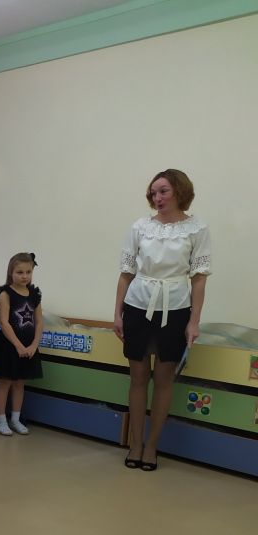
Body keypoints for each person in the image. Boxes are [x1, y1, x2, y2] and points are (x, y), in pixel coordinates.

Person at [114, 169, 211, 471]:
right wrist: (117, 313)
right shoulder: (140, 226)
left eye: (163, 191)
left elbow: (199, 280)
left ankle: (152, 447)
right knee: (138, 377)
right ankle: (135, 444)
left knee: (164, 380)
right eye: (153, 193)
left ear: (180, 192)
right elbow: (126, 273)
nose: (157, 198)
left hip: (176, 307)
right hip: (137, 306)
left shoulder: (197, 229)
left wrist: (194, 321)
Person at [0, 253, 43, 436]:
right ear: (11, 272)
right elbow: (4, 323)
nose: (24, 276)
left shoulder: (34, 294)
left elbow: (39, 322)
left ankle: (15, 419)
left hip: (28, 346)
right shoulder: (6, 294)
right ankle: (1, 419)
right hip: (9, 346)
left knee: (20, 383)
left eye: (28, 272)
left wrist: (34, 345)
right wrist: (18, 345)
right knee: (5, 382)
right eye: (20, 272)